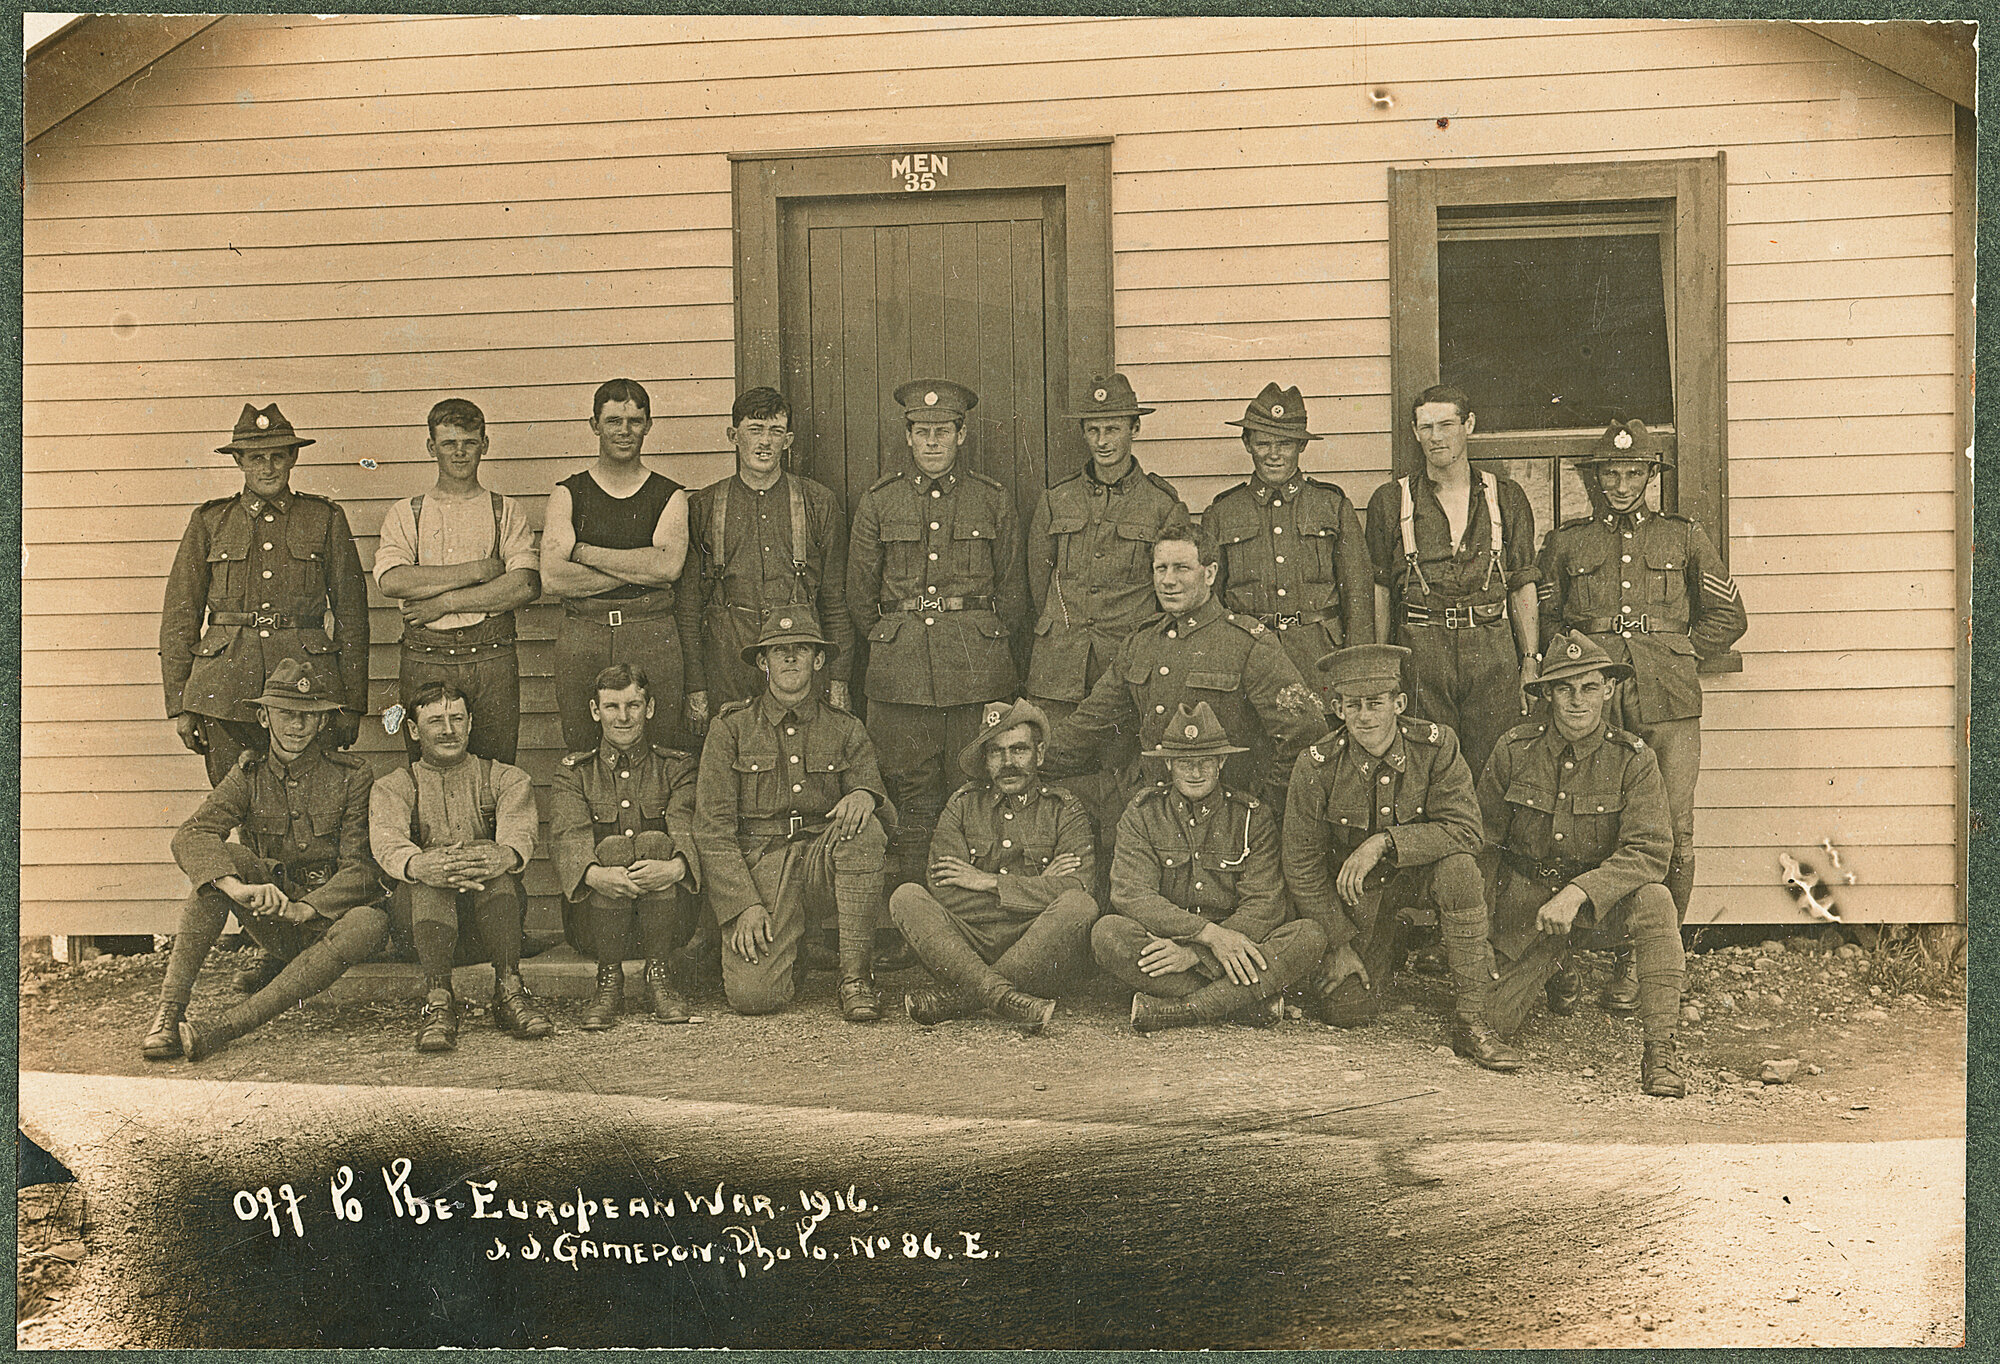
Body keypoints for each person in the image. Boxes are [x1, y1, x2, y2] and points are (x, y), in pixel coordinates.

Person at [1538, 418, 1748, 1011]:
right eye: (1611, 473)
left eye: (1634, 473)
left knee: (1674, 829)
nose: (1622, 483)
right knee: (1581, 821)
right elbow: (1551, 623)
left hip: (1668, 699)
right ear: (1596, 478)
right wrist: (1581, 676)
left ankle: (1647, 961)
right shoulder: (1568, 542)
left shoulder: (1683, 537)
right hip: (1597, 699)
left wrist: (1677, 655)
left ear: (1651, 476)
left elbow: (1728, 617)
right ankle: (1564, 958)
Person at [1281, 644, 1520, 1070]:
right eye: (1353, 705)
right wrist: (1338, 943)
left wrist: (1383, 843)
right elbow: (1300, 864)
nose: (1366, 717)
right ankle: (1390, 941)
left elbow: (1466, 831)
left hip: (1419, 879)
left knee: (1461, 870)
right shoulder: (1316, 765)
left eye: (1376, 704)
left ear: (1399, 704)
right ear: (1337, 708)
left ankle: (1472, 1019)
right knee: (1345, 1011)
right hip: (1360, 903)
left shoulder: (1436, 746)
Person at [141, 658, 388, 1063]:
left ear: (324, 723)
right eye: (286, 714)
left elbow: (361, 868)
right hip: (273, 923)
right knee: (224, 863)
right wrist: (236, 887)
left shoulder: (352, 775)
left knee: (371, 921)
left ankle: (225, 1028)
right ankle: (169, 1013)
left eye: (309, 716)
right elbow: (192, 833)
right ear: (263, 716)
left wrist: (304, 908)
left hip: (328, 921)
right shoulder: (249, 774)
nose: (297, 726)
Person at [1477, 631, 1688, 1098]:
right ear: (1548, 693)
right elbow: (1483, 845)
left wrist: (1578, 893)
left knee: (1655, 900)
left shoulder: (1633, 759)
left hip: (1598, 909)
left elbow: (1649, 849)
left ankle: (1661, 1052)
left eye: (1589, 687)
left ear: (1608, 690)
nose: (1577, 701)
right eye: (1564, 688)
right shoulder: (1514, 750)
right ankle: (1557, 965)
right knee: (1487, 1022)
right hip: (1528, 911)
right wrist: (1486, 934)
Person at [847, 378, 1029, 906]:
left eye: (942, 431)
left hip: (975, 674)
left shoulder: (991, 500)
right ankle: (912, 915)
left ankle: (969, 915)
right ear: (907, 436)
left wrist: (977, 642)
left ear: (961, 434)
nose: (932, 442)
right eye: (922, 432)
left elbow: (1013, 595)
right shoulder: (880, 501)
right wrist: (894, 641)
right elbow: (860, 595)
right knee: (911, 803)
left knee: (972, 796)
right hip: (899, 680)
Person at [694, 607, 893, 1021]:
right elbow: (712, 831)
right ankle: (793, 947)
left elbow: (879, 802)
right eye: (778, 650)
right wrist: (742, 905)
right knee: (755, 998)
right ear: (762, 662)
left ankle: (855, 978)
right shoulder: (731, 727)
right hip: (762, 867)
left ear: (818, 660)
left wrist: (865, 795)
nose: (789, 658)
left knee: (864, 830)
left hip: (821, 859)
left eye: (800, 649)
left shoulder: (845, 727)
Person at [1042, 534, 1325, 817]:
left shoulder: (1247, 643)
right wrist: (1029, 759)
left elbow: (1304, 733)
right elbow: (1089, 723)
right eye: (1160, 568)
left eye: (1182, 568)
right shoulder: (1141, 642)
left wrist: (1256, 809)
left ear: (1210, 573)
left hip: (1222, 811)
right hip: (1148, 804)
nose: (1168, 580)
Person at [160, 402, 369, 786]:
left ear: (292, 458)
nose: (268, 467)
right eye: (257, 458)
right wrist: (182, 704)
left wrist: (352, 703)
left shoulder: (324, 518)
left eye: (277, 456)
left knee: (307, 804)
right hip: (224, 692)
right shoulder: (210, 521)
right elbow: (180, 615)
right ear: (239, 461)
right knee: (234, 801)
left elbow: (352, 614)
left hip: (308, 690)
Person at [1092, 702, 1327, 1033]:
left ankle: (1183, 1010)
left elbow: (1264, 904)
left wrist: (1198, 956)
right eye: (1185, 762)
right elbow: (1132, 893)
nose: (1195, 772)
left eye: (1204, 761)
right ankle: (1242, 1005)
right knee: (1108, 933)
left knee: (1308, 936)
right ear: (1169, 764)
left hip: (1233, 946)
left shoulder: (1250, 816)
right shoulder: (1144, 812)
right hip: (1172, 943)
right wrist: (1206, 937)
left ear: (1222, 761)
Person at [888, 699, 1098, 1034]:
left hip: (1036, 942)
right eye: (996, 752)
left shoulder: (1064, 808)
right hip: (967, 941)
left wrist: (985, 882)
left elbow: (1080, 886)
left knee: (1079, 905)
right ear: (985, 760)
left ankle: (964, 998)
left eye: (1019, 750)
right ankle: (1005, 996)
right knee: (907, 897)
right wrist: (1040, 886)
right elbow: (945, 891)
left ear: (1039, 754)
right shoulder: (962, 804)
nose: (1008, 763)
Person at [1365, 384, 1540, 783]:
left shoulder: (1506, 497)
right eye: (1426, 427)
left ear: (1469, 425)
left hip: (1491, 648)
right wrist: (1382, 664)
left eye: (1446, 424)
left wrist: (1529, 661)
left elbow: (1522, 584)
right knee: (1425, 763)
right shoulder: (1391, 501)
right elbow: (1379, 588)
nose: (1436, 437)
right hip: (1421, 648)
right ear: (1414, 432)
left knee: (1495, 765)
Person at [370, 682, 546, 1052]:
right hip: (421, 934)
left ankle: (510, 990)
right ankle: (438, 1002)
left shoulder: (505, 778)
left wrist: (500, 855)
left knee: (495, 868)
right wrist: (422, 864)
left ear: (470, 724)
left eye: (457, 719)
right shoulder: (393, 787)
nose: (448, 730)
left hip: (492, 928)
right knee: (429, 876)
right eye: (435, 721)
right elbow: (387, 843)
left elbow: (519, 835)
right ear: (414, 730)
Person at [373, 397, 541, 764]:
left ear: (485, 444)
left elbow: (525, 585)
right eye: (449, 443)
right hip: (426, 656)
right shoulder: (408, 512)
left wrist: (444, 603)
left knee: (495, 768)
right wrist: (477, 572)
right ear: (432, 447)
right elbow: (394, 581)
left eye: (469, 442)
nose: (460, 453)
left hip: (492, 658)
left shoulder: (505, 510)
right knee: (427, 767)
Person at [680, 386, 854, 731]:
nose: (765, 442)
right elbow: (688, 606)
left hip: (797, 661)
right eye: (754, 430)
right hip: (728, 661)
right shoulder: (704, 506)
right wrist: (695, 686)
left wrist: (839, 680)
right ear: (733, 435)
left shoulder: (818, 503)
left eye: (775, 431)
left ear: (787, 440)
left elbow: (835, 601)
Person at [1200, 382, 1373, 717]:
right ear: (1247, 444)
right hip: (1248, 657)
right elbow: (1211, 600)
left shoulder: (1331, 504)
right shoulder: (1222, 512)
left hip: (1319, 658)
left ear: (1301, 446)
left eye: (1285, 443)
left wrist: (1357, 672)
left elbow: (1358, 593)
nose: (1273, 453)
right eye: (1263, 442)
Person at [1026, 374, 1191, 721]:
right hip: (1059, 668)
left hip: (1126, 665)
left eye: (1113, 429)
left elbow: (1170, 590)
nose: (1102, 441)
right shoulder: (1057, 499)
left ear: (1135, 429)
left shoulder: (1161, 505)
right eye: (1093, 430)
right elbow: (1039, 583)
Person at [548, 664, 702, 1029]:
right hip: (594, 927)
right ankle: (608, 980)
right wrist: (596, 875)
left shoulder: (676, 768)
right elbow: (568, 836)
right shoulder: (574, 773)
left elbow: (686, 827)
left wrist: (675, 868)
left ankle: (659, 976)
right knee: (614, 849)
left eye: (633, 705)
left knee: (654, 841)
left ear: (648, 709)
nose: (623, 717)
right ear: (594, 711)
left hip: (669, 925)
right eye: (612, 707)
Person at [542, 378, 691, 753]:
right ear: (595, 425)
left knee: (659, 745)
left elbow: (668, 568)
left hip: (651, 631)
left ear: (648, 425)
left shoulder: (669, 494)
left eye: (635, 421)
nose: (625, 431)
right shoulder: (567, 493)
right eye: (613, 421)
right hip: (584, 632)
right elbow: (554, 577)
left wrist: (585, 552)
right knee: (582, 743)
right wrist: (639, 565)